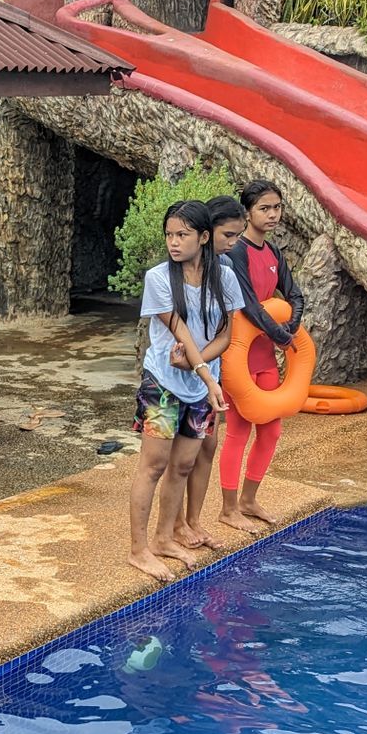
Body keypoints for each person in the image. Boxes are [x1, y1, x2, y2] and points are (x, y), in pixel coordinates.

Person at [129, 200, 242, 582]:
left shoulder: (223, 276)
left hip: (197, 385)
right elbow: (180, 331)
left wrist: (200, 368)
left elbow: (226, 335)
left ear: (203, 237)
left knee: (183, 464)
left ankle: (165, 537)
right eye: (169, 235)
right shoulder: (159, 277)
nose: (173, 242)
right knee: (154, 465)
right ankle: (139, 549)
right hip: (162, 382)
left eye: (182, 234)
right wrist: (208, 377)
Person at [218, 181, 306, 533]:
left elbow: (294, 295)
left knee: (270, 433)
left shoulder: (273, 253)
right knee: (238, 431)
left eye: (277, 208)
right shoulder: (236, 251)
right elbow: (248, 305)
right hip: (239, 355)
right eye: (264, 209)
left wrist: (292, 327)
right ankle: (227, 508)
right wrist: (282, 335)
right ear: (247, 213)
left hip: (266, 356)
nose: (272, 215)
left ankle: (249, 499)